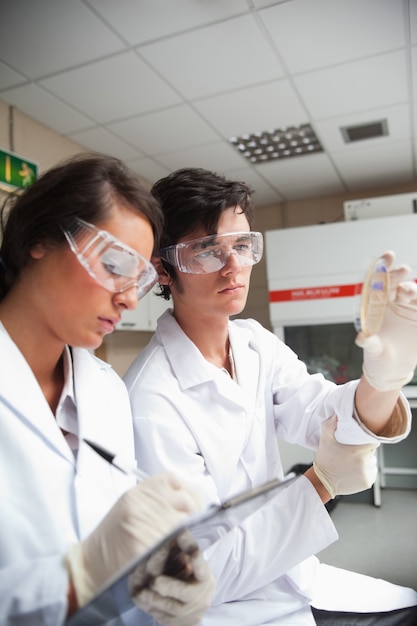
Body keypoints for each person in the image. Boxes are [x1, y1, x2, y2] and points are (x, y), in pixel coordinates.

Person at [124, 167, 417, 626]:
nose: (233, 266)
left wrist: (384, 380)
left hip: (293, 575)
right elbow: (199, 572)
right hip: (227, 611)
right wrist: (322, 483)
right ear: (163, 267)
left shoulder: (254, 342)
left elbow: (322, 412)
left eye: (242, 245)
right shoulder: (151, 401)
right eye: (206, 251)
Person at [0, 155, 215, 626]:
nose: (129, 297)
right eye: (114, 264)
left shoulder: (106, 390)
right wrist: (76, 577)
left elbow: (118, 535)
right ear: (40, 239)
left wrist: (162, 576)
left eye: (138, 277)